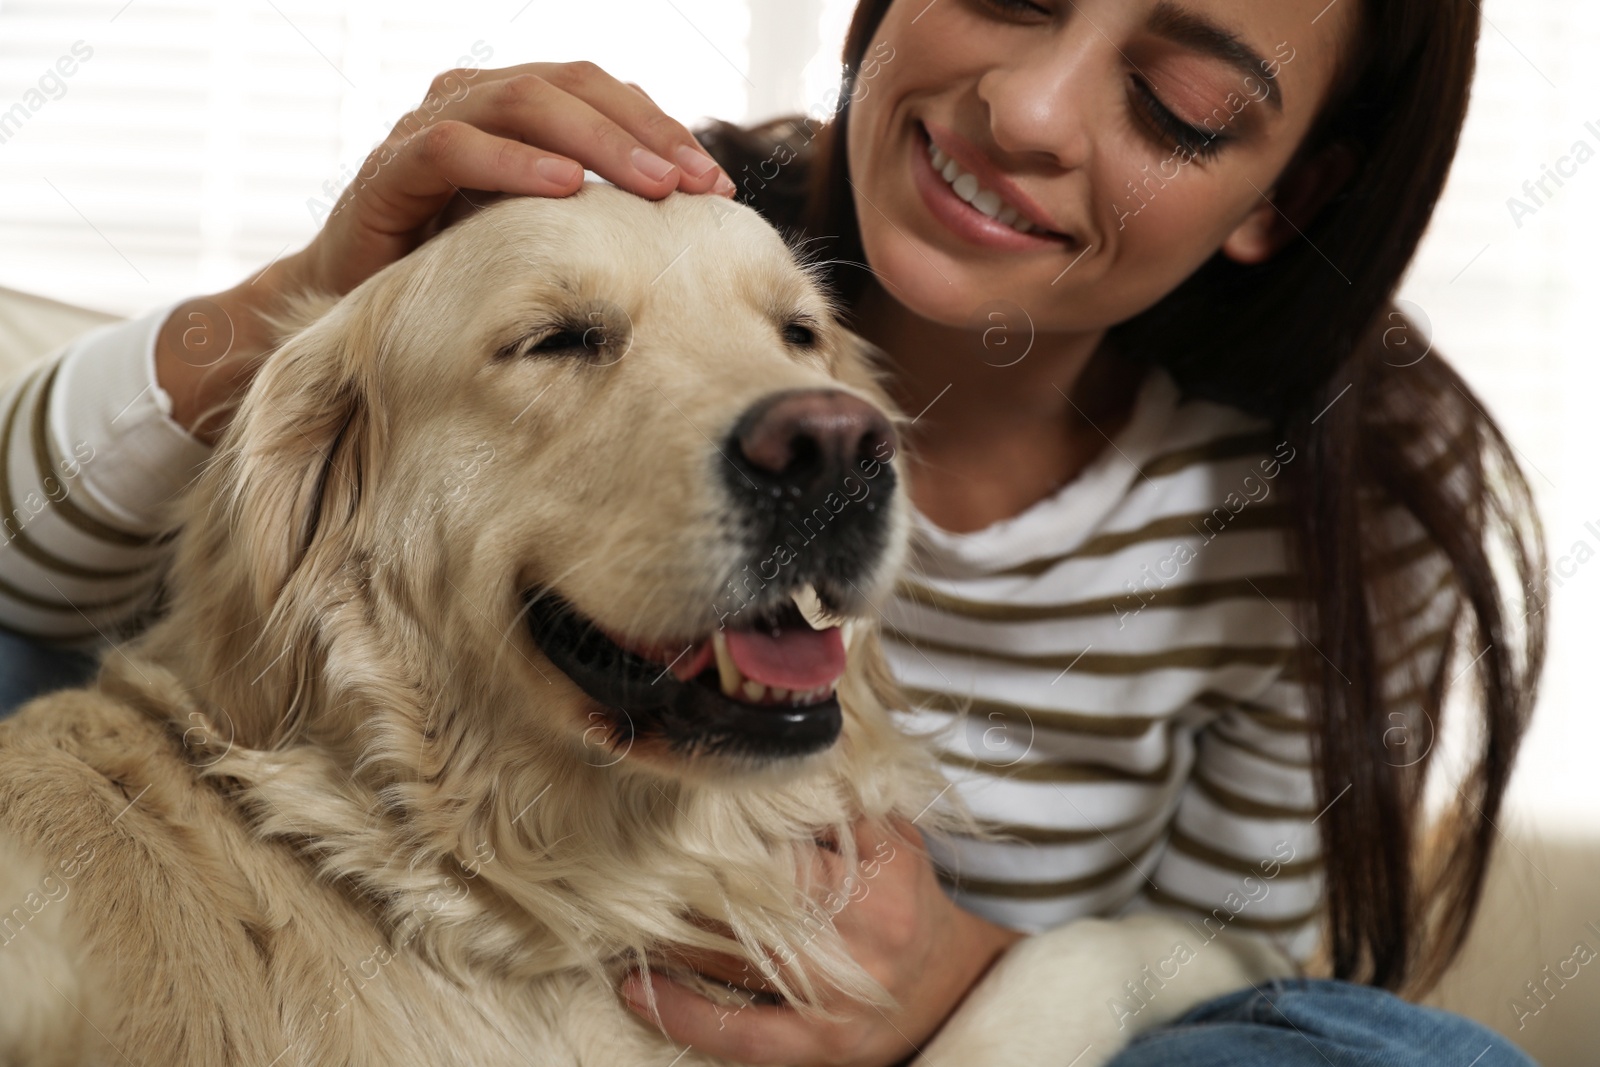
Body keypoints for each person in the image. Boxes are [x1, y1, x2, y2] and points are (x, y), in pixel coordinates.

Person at [0, 0, 1547, 1064]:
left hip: (947, 998)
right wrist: (324, 286)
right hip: (390, 882)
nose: (1027, 109)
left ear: (1291, 192)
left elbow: (1253, 977)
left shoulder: (1325, 520)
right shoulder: (615, 208)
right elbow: (27, 573)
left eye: (1178, 103)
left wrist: (966, 975)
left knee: (1366, 1049)